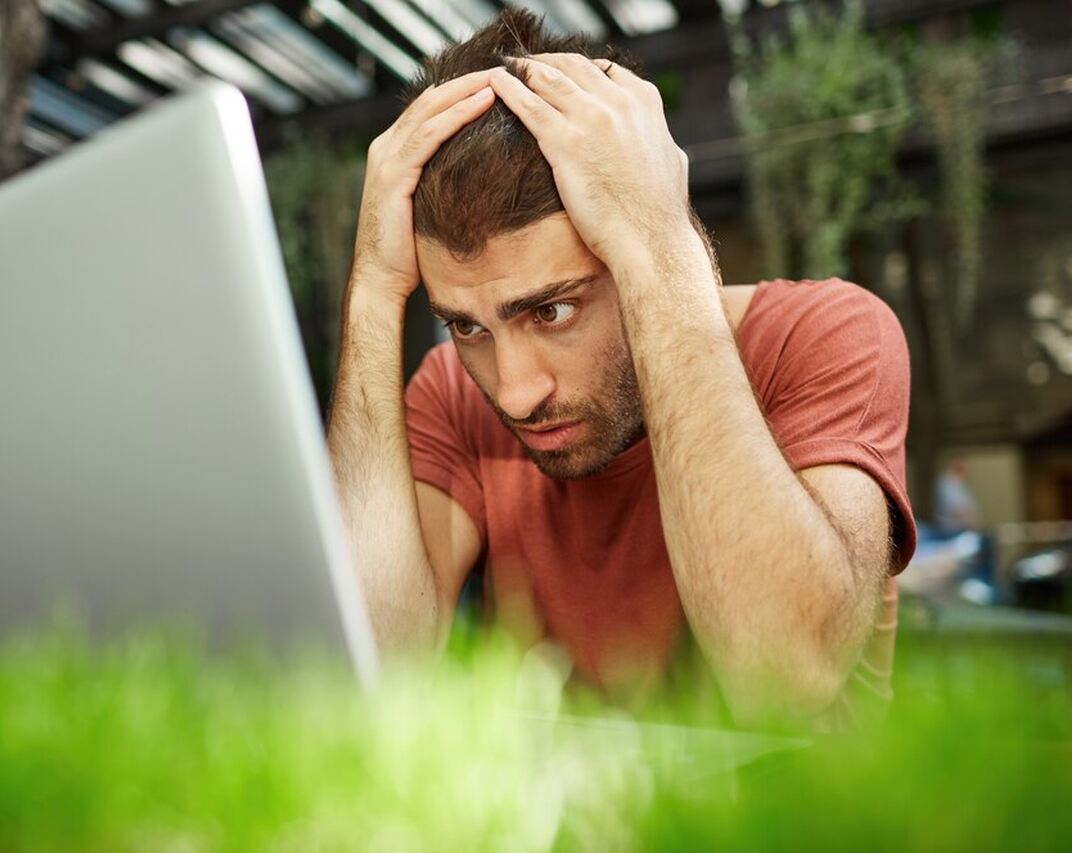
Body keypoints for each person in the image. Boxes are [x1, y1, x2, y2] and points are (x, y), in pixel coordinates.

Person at [326, 11, 915, 727]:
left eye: (552, 311)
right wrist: (371, 294)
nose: (515, 391)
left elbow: (781, 679)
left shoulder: (822, 335)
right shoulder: (452, 394)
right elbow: (369, 673)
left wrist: (661, 244)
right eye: (467, 325)